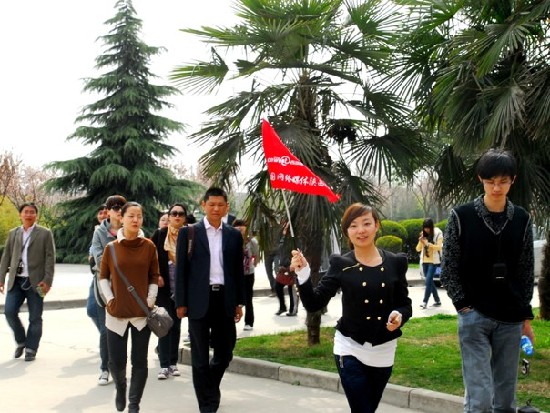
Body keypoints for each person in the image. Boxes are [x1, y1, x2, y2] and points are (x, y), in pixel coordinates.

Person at [290, 203, 412, 413]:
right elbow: (314, 303)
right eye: (353, 225)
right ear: (347, 231)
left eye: (366, 223)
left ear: (376, 225)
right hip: (349, 347)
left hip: (383, 349)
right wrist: (303, 274)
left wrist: (399, 316)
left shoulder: (395, 263)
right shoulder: (341, 264)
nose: (360, 230)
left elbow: (405, 304)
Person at [440, 148, 535, 413]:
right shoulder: (462, 216)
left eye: (503, 181)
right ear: (480, 179)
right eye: (490, 181)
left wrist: (525, 316)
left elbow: (526, 270)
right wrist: (462, 304)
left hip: (511, 317)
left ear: (513, 180)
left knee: (505, 400)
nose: (496, 187)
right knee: (479, 399)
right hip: (474, 315)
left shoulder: (522, 219)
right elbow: (448, 266)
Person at [175, 186, 245, 413]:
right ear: (203, 205)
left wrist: (239, 302)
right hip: (198, 300)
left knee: (225, 353)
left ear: (226, 207)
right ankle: (207, 405)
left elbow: (238, 271)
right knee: (200, 357)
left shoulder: (234, 235)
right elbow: (181, 270)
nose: (216, 208)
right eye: (212, 204)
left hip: (224, 299)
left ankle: (210, 388)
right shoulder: (189, 233)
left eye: (220, 205)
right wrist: (180, 303)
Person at [99, 201, 160, 413]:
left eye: (139, 216)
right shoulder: (111, 248)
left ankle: (134, 404)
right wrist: (110, 299)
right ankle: (120, 387)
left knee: (139, 362)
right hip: (116, 314)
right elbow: (102, 277)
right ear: (121, 218)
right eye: (131, 216)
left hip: (141, 314)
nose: (135, 220)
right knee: (116, 362)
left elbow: (154, 276)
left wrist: (150, 299)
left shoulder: (149, 247)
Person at [0, 202, 56, 362]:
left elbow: (50, 258)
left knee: (35, 317)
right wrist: (1, 279)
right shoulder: (13, 233)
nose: (29, 215)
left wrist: (48, 280)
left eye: (32, 212)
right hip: (16, 281)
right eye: (26, 212)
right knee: (9, 312)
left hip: (37, 282)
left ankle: (31, 348)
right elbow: (6, 256)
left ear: (36, 215)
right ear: (20, 215)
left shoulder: (45, 233)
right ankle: (21, 341)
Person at [90, 194, 127, 386]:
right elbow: (97, 257)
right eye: (114, 207)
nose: (118, 210)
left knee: (123, 330)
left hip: (127, 288)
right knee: (106, 330)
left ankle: (119, 368)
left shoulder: (132, 229)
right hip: (104, 287)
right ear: (108, 211)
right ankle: (105, 369)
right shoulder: (99, 232)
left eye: (121, 207)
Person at [150, 203, 187, 380]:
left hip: (181, 288)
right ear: (169, 216)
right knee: (164, 325)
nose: (177, 216)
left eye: (181, 214)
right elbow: (149, 256)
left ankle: (173, 363)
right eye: (174, 213)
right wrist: (156, 274)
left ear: (185, 217)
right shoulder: (160, 234)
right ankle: (164, 364)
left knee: (177, 326)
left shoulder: (189, 235)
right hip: (164, 289)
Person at [232, 219, 260, 331]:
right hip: (234, 274)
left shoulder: (252, 241)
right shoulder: (230, 239)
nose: (239, 228)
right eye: (237, 225)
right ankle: (232, 320)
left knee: (248, 298)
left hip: (248, 273)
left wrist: (253, 264)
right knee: (233, 298)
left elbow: (256, 255)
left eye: (242, 225)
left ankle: (249, 322)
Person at [416, 218, 443, 309]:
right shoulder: (423, 234)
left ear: (431, 227)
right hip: (424, 262)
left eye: (428, 228)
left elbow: (439, 247)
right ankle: (437, 300)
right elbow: (418, 249)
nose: (426, 230)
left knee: (428, 281)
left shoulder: (438, 233)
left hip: (433, 261)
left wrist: (428, 244)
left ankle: (424, 302)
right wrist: (421, 241)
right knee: (430, 281)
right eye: (425, 228)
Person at [274, 221, 299, 316]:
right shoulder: (282, 238)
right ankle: (282, 307)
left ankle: (293, 310)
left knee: (291, 289)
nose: (284, 227)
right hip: (283, 268)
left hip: (292, 268)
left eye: (286, 225)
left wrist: (292, 267)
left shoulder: (294, 239)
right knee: (278, 286)